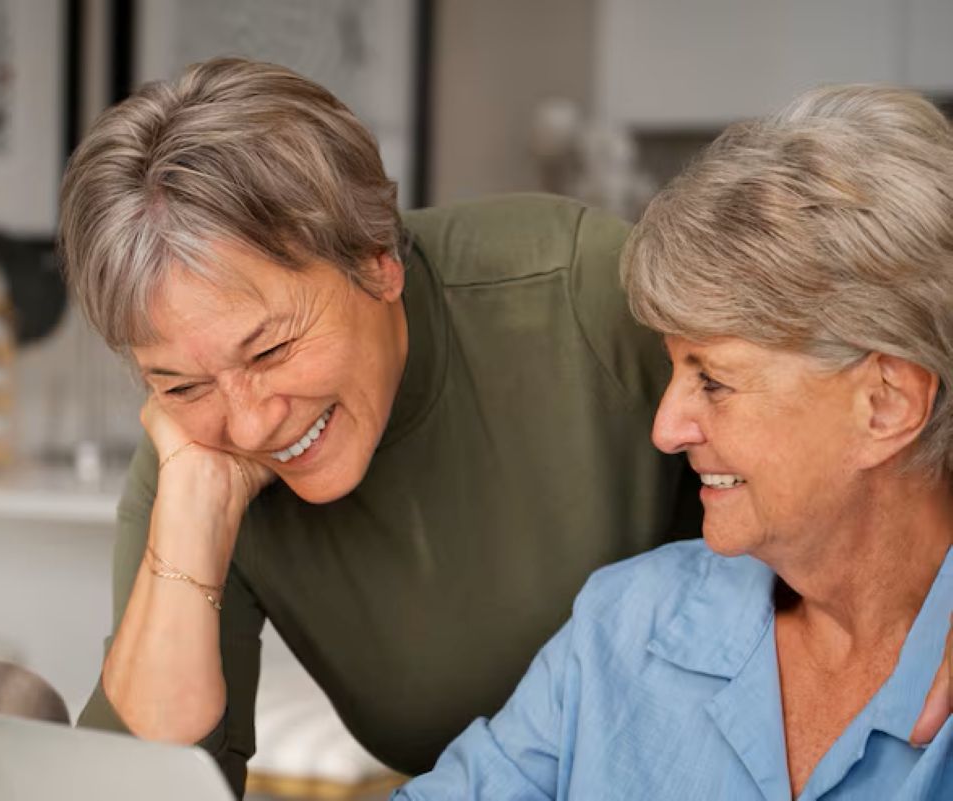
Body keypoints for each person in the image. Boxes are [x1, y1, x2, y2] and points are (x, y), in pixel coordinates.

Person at [58, 57, 702, 795]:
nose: (250, 421)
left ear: (377, 259)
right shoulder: (196, 451)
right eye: (179, 381)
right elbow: (134, 791)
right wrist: (193, 522)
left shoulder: (586, 294)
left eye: (270, 349)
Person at [395, 84, 953, 800]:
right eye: (673, 368)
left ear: (887, 402)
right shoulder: (625, 624)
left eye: (713, 379)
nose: (666, 428)